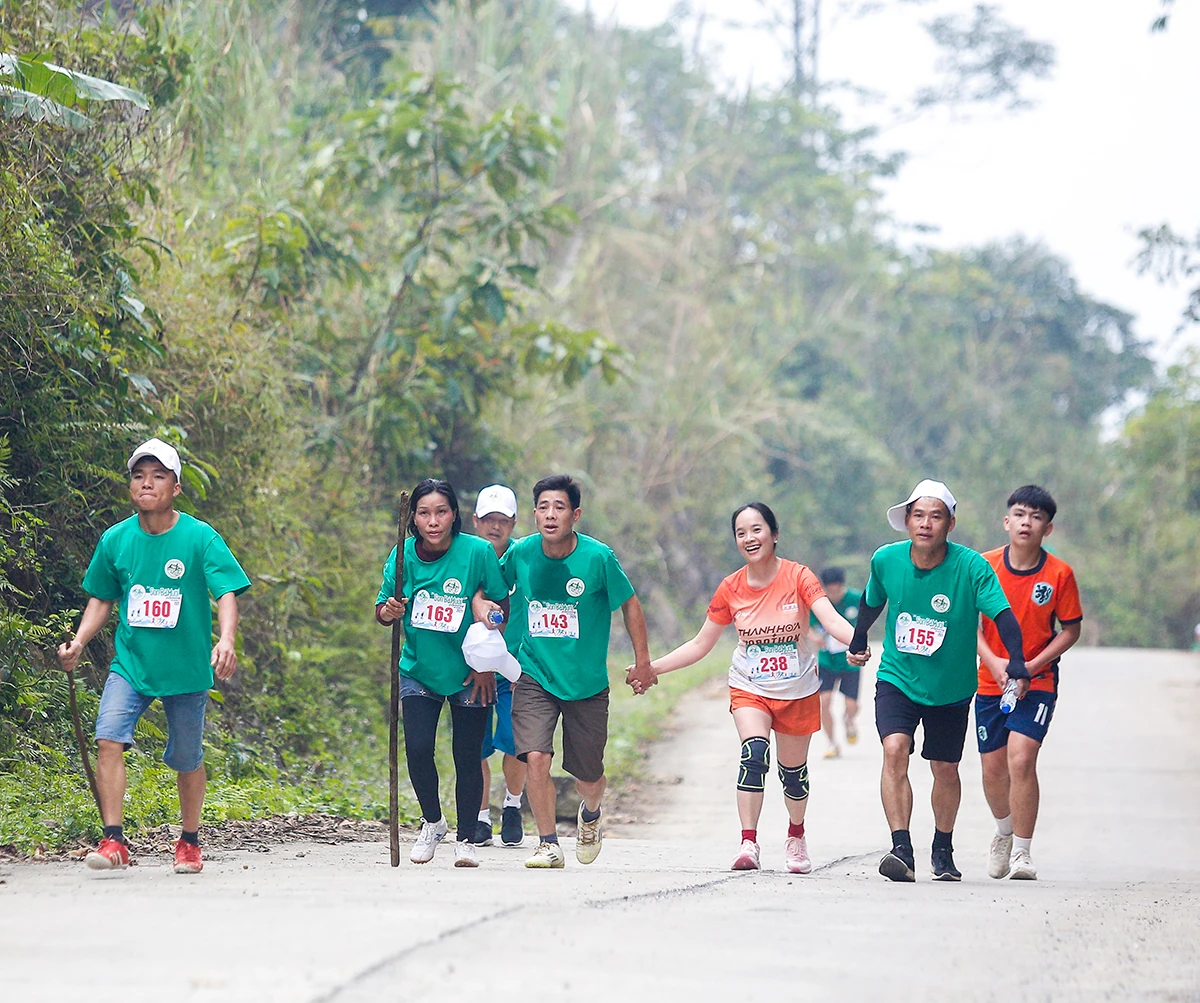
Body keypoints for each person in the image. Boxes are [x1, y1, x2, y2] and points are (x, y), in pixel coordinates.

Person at [56, 438, 251, 874]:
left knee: (187, 758)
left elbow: (226, 593)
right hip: (132, 663)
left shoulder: (200, 538)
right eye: (139, 476)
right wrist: (81, 642)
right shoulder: (116, 539)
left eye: (158, 476)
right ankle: (113, 841)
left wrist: (226, 640)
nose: (147, 483)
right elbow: (102, 599)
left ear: (175, 488)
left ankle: (189, 841)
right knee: (108, 737)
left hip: (185, 667)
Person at [646, 503, 863, 873]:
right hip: (750, 686)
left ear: (774, 535)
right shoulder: (730, 588)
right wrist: (653, 669)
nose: (749, 538)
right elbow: (701, 644)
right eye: (741, 533)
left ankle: (796, 836)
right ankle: (749, 842)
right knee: (754, 753)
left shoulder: (798, 577)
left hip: (797, 689)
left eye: (757, 529)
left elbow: (829, 618)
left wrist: (856, 642)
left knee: (792, 774)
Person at [847, 478, 1028, 883]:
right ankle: (901, 849)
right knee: (895, 749)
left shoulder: (971, 567)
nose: (926, 523)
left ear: (950, 523)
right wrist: (859, 639)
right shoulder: (886, 560)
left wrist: (1015, 660)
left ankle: (942, 848)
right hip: (898, 677)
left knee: (944, 768)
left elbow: (1002, 614)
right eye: (918, 515)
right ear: (907, 521)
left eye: (936, 516)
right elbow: (871, 600)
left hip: (951, 687)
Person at [489, 474, 654, 869]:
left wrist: (643, 663)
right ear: (533, 514)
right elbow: (492, 587)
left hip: (586, 683)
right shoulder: (523, 553)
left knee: (588, 777)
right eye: (543, 507)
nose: (550, 515)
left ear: (575, 514)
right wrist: (488, 618)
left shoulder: (598, 558)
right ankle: (547, 844)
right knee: (535, 757)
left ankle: (591, 813)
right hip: (534, 674)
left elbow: (630, 605)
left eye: (559, 507)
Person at [375, 478, 509, 868]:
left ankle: (467, 837)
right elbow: (383, 610)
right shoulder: (401, 556)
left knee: (467, 755)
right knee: (417, 748)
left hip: (471, 672)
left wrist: (486, 662)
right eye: (424, 513)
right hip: (419, 668)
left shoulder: (478, 552)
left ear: (454, 516)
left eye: (441, 512)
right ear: (413, 519)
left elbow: (500, 605)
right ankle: (433, 822)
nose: (433, 521)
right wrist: (390, 612)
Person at [976, 485, 1082, 881]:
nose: (1027, 522)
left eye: (1036, 517)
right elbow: (971, 623)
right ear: (1006, 521)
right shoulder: (983, 566)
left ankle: (1022, 851)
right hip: (990, 681)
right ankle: (1003, 832)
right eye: (1020, 514)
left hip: (1037, 682)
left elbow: (1070, 630)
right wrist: (996, 663)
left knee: (1021, 758)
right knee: (992, 770)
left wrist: (1031, 667)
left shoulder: (1059, 574)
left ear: (1047, 528)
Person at [471, 484, 528, 848]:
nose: (495, 527)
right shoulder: (467, 557)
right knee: (474, 743)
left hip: (517, 665)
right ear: (475, 521)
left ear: (513, 523)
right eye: (488, 519)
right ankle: (478, 816)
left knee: (515, 739)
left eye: (502, 520)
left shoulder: (525, 558)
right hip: (473, 665)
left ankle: (512, 804)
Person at [810, 567, 862, 759]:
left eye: (837, 589)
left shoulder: (856, 599)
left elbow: (867, 619)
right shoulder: (819, 603)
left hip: (851, 660)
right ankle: (832, 743)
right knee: (824, 702)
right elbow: (807, 625)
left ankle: (849, 720)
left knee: (851, 705)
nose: (834, 594)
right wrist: (814, 637)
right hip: (827, 660)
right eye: (830, 590)